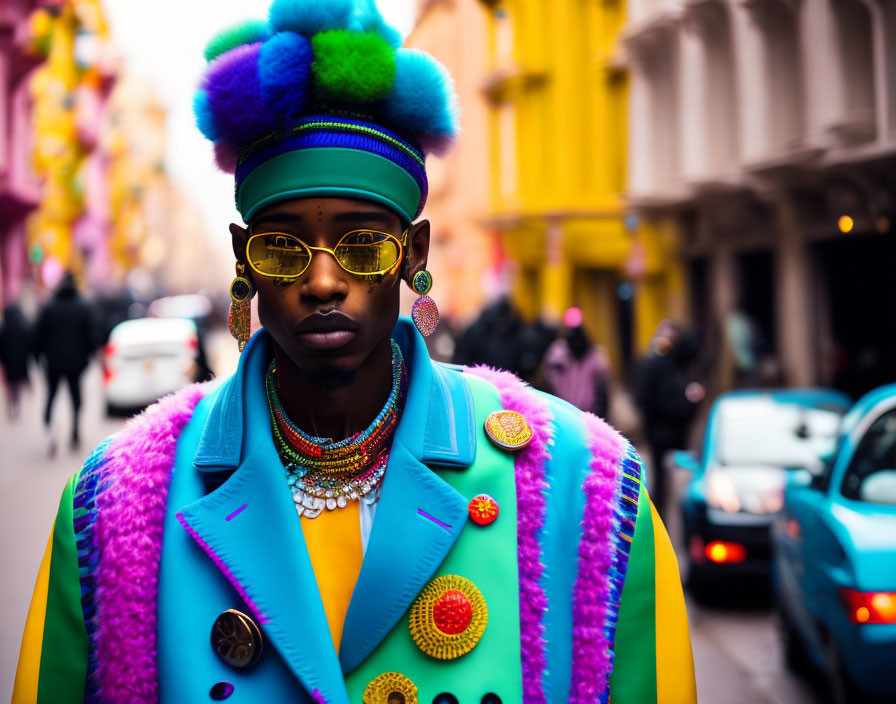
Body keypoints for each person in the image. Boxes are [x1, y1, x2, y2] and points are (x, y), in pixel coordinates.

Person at [13, 3, 696, 702]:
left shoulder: (583, 490)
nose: (322, 281)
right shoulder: (117, 505)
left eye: (362, 244)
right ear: (243, 259)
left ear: (414, 255)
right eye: (282, 246)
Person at [634, 320, 704, 518]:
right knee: (663, 483)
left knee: (671, 483)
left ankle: (665, 518)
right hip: (660, 432)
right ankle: (660, 519)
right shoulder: (653, 364)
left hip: (672, 433)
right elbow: (644, 398)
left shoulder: (675, 365)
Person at [31, 272, 97, 453]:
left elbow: (37, 336)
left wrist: (38, 358)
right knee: (76, 398)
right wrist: (89, 357)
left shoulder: (49, 307)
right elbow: (91, 335)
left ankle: (50, 428)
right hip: (76, 363)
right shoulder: (83, 306)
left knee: (51, 396)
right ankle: (75, 431)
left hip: (53, 363)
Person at [543, 306, 611, 418]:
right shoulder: (595, 352)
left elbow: (548, 380)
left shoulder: (557, 351)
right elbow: (603, 382)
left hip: (563, 410)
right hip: (589, 412)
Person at [0, 303, 31, 419]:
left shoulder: (4, 327)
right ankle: (16, 404)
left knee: (10, 385)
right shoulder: (22, 326)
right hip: (20, 360)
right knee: (17, 385)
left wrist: (2, 358)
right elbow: (29, 342)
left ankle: (10, 405)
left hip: (8, 361)